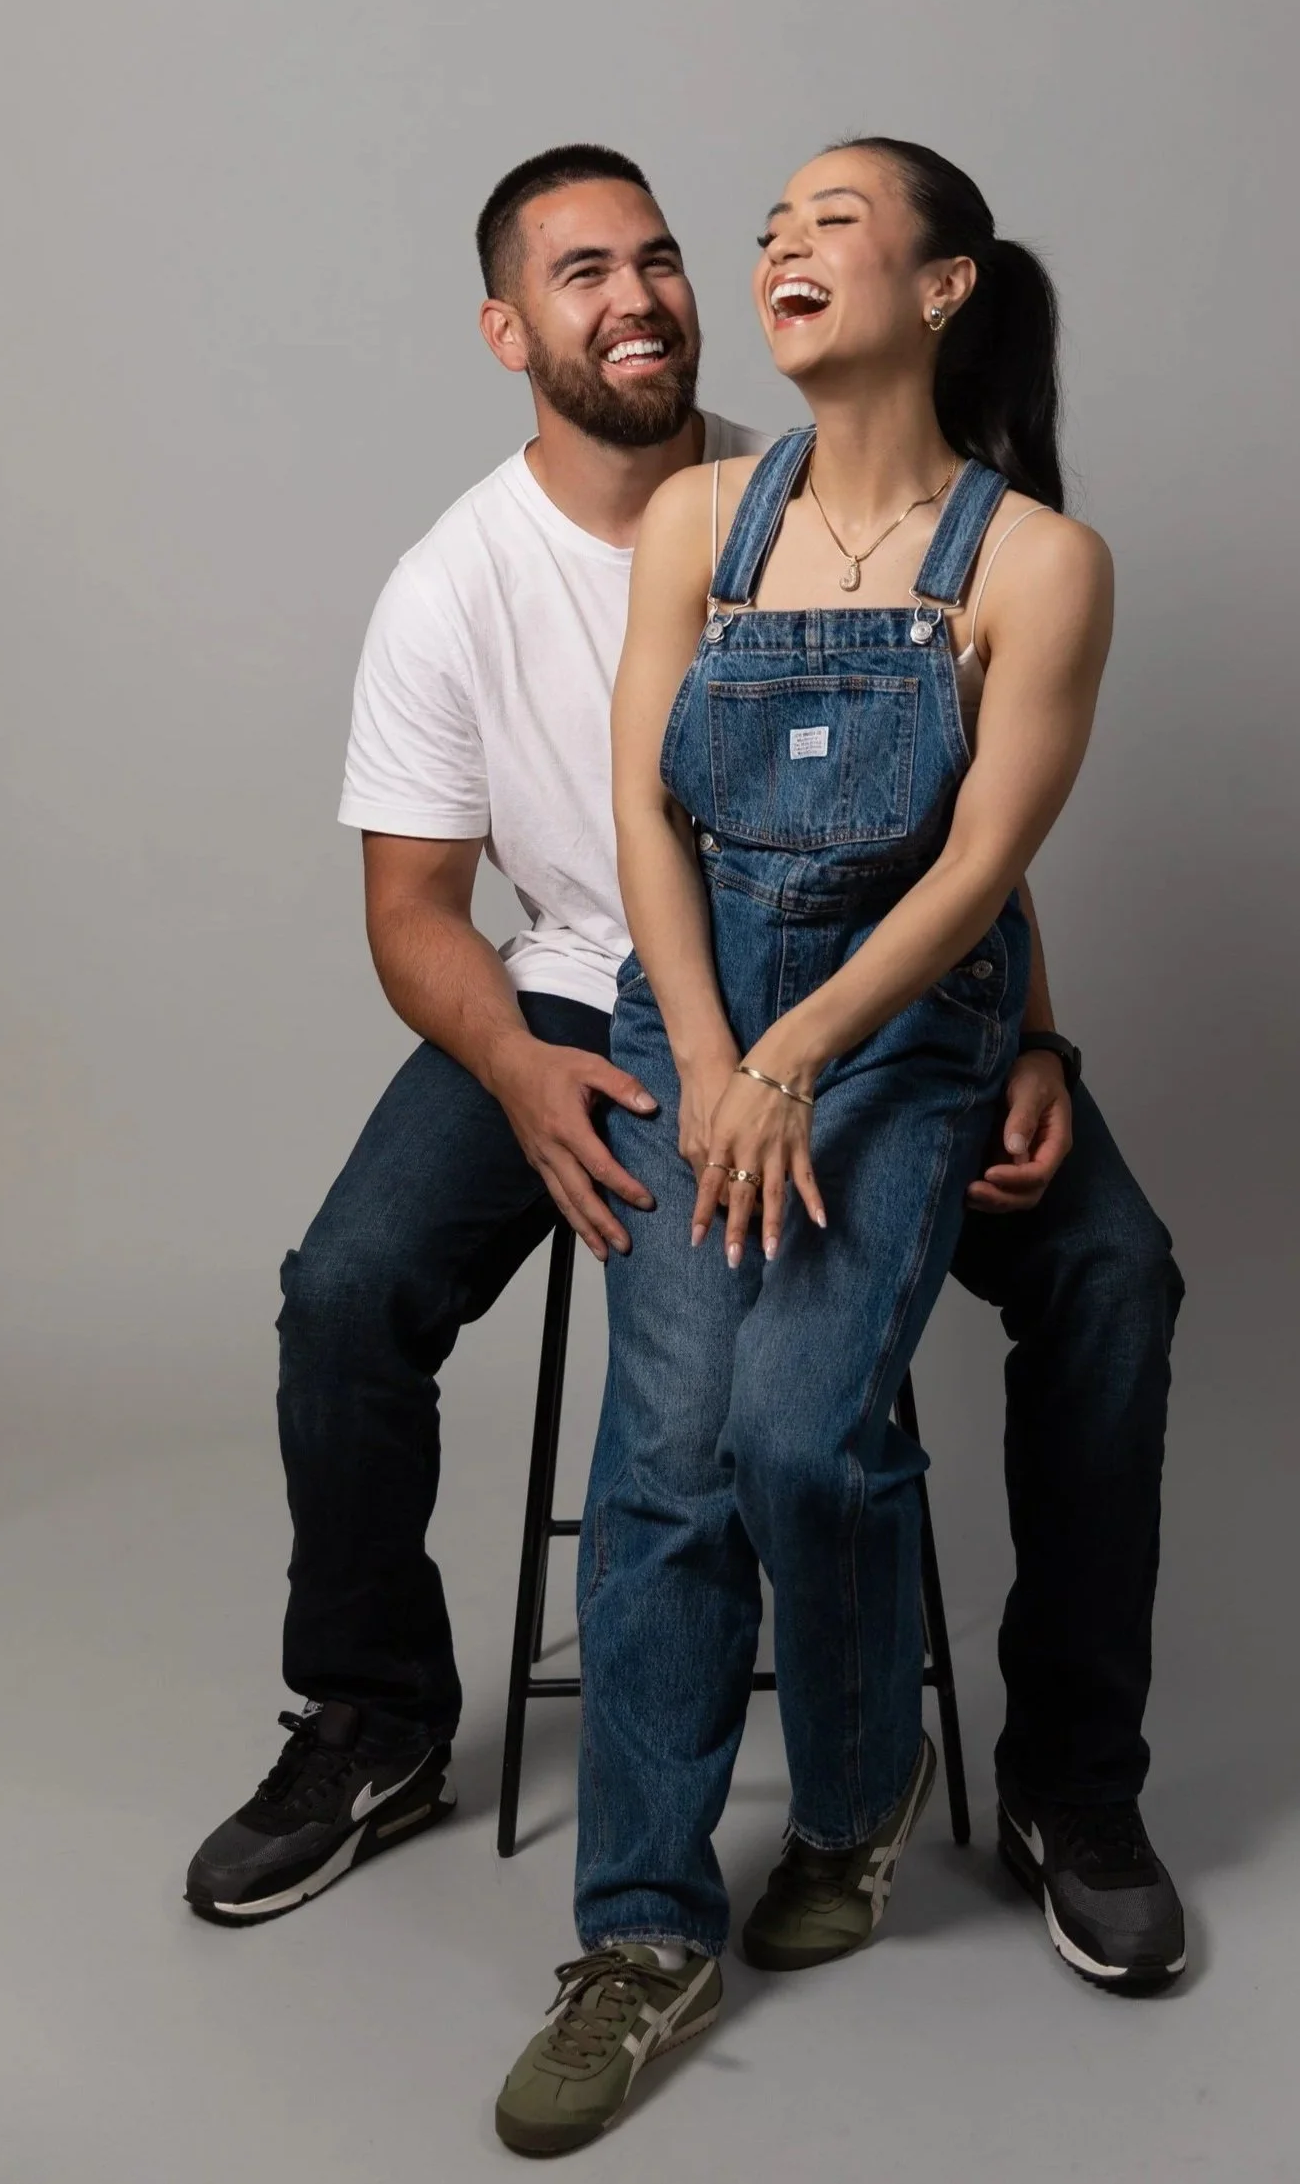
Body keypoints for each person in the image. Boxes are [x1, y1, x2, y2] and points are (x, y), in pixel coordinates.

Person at [183, 146, 1182, 2019]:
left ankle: (1071, 1780)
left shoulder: (819, 476)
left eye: (659, 259)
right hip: (580, 999)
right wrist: (532, 1075)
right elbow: (413, 914)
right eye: (582, 276)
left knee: (1113, 1274)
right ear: (509, 331)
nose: (640, 296)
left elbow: (951, 832)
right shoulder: (459, 580)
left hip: (889, 1009)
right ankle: (375, 1718)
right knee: (350, 1284)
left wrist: (1029, 1034)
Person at [494, 139, 1182, 2159]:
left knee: (807, 1430)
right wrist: (707, 1043)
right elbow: (644, 815)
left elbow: (979, 867)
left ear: (944, 284)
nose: (778, 243)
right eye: (767, 222)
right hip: (693, 1010)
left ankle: (862, 1786)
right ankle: (636, 1933)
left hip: (896, 1035)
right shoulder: (700, 516)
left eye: (831, 218)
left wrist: (800, 1045)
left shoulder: (1038, 564)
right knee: (674, 1462)